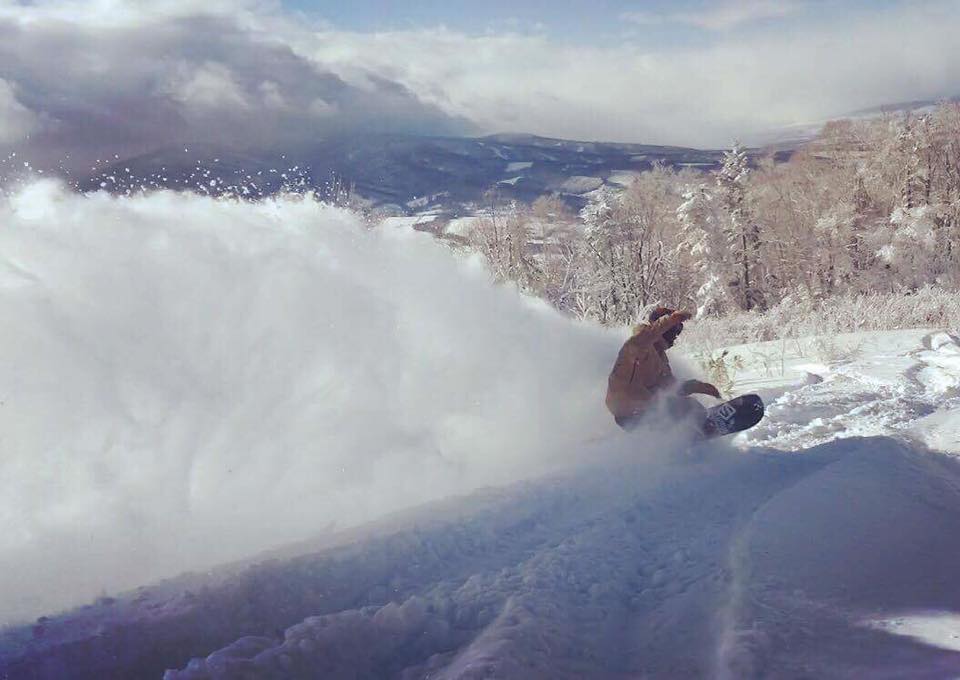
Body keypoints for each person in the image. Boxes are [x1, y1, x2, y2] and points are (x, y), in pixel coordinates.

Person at [605, 306, 721, 432]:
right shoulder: (637, 346)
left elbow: (669, 386)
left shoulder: (659, 355)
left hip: (643, 408)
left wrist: (696, 386)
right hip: (631, 409)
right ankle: (702, 428)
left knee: (686, 405)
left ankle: (680, 436)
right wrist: (671, 320)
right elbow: (646, 337)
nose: (676, 336)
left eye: (679, 331)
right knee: (686, 407)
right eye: (675, 331)